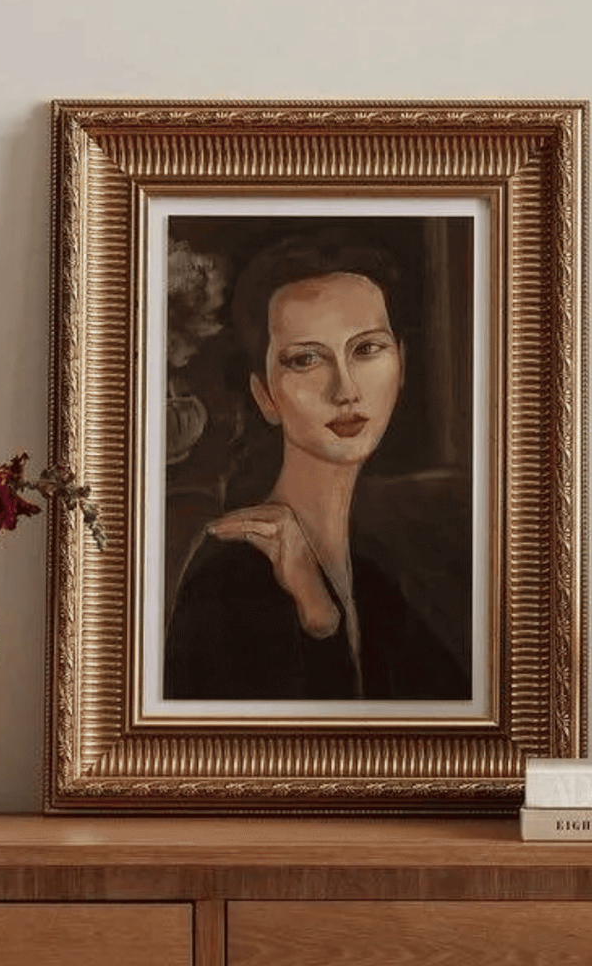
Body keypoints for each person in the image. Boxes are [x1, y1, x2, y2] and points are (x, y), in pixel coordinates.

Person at [162, 233, 469, 702]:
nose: (344, 389)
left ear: (401, 365)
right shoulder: (228, 574)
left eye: (367, 350)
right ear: (265, 394)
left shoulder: (390, 569)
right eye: (305, 359)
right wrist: (318, 620)